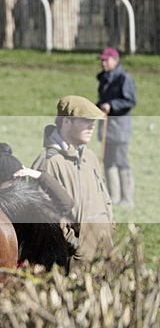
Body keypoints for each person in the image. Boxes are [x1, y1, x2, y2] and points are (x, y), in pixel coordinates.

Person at [27, 96, 114, 264]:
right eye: (86, 120)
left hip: (104, 251)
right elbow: (44, 215)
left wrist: (110, 227)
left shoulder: (90, 157)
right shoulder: (48, 161)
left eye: (93, 121)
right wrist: (74, 245)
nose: (92, 126)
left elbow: (104, 196)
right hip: (73, 259)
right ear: (66, 122)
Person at [96, 47, 137, 208]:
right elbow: (102, 100)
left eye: (106, 60)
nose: (103, 63)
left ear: (115, 60)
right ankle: (114, 197)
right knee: (108, 160)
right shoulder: (104, 78)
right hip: (107, 127)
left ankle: (127, 199)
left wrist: (111, 105)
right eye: (102, 60)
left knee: (120, 161)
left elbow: (130, 101)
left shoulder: (124, 78)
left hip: (120, 128)